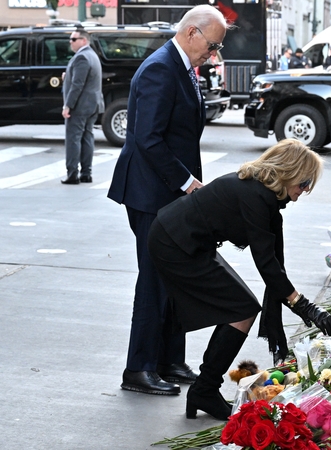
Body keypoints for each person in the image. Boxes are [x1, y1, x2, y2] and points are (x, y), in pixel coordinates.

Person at [147, 139, 331, 420]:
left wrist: (300, 303)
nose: (303, 192)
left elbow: (273, 262)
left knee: (241, 307)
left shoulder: (263, 194)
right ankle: (205, 389)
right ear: (290, 173)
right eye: (304, 184)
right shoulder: (256, 196)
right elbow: (266, 263)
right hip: (174, 242)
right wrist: (305, 306)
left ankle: (204, 388)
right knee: (242, 308)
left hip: (184, 239)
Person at [107, 4, 228, 396]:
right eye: (211, 46)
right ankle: (138, 368)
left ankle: (169, 360)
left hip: (168, 191)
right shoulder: (161, 67)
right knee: (155, 278)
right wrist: (189, 183)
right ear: (192, 32)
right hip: (150, 191)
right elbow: (148, 138)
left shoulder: (183, 66)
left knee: (175, 274)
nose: (213, 55)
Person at [61, 28, 104, 185]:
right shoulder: (92, 55)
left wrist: (68, 105)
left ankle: (72, 174)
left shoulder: (82, 58)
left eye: (73, 39)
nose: (70, 42)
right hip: (93, 105)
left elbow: (77, 85)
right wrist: (67, 76)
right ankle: (86, 173)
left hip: (80, 106)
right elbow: (83, 78)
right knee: (87, 137)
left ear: (83, 40)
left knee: (74, 139)